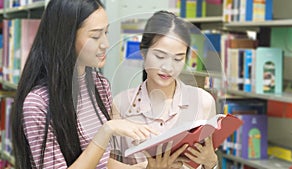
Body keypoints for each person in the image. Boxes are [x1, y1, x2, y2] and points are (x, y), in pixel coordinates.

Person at [11, 1, 188, 169]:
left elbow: (102, 164)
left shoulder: (100, 85)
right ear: (66, 37)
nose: (105, 44)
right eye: (95, 36)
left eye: (106, 32)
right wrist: (106, 131)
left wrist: (146, 167)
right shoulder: (38, 104)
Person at [112, 11, 219, 169]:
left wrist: (211, 162)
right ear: (143, 52)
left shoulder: (203, 102)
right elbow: (106, 164)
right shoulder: (121, 104)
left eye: (178, 59)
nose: (168, 67)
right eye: (160, 56)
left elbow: (208, 161)